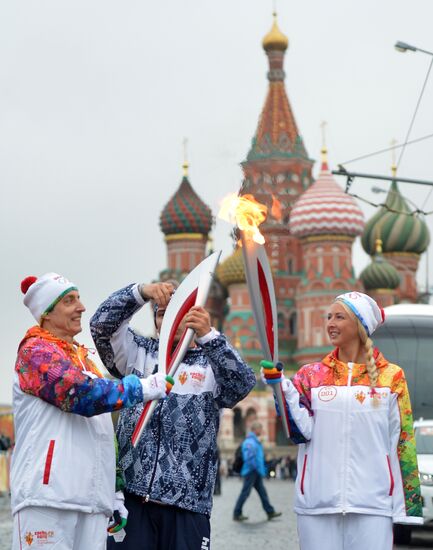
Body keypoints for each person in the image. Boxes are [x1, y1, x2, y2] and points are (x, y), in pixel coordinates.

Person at [90, 281, 256, 550]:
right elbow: (101, 326)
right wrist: (140, 292)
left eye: (178, 311)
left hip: (187, 505)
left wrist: (209, 336)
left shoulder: (209, 363)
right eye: (161, 313)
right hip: (132, 501)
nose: (169, 319)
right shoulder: (138, 353)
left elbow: (241, 383)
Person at [11, 273, 168, 550]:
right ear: (47, 313)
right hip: (48, 498)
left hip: (93, 501)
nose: (81, 307)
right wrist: (141, 388)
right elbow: (80, 394)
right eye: (70, 301)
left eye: (79, 299)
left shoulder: (86, 360)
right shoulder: (35, 353)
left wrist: (115, 489)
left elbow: (104, 431)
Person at [262, 291, 423, 550]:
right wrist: (280, 387)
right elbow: (299, 432)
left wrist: (408, 505)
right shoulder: (310, 375)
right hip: (317, 503)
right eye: (328, 317)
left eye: (339, 317)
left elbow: (402, 440)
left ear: (360, 325)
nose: (330, 323)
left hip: (372, 504)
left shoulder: (391, 377)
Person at [233, 421, 282, 521]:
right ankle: (237, 513)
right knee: (245, 493)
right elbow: (249, 458)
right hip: (251, 471)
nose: (261, 430)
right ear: (255, 430)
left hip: (255, 471)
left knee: (262, 493)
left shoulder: (254, 441)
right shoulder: (250, 442)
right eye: (260, 429)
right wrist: (256, 468)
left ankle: (270, 511)